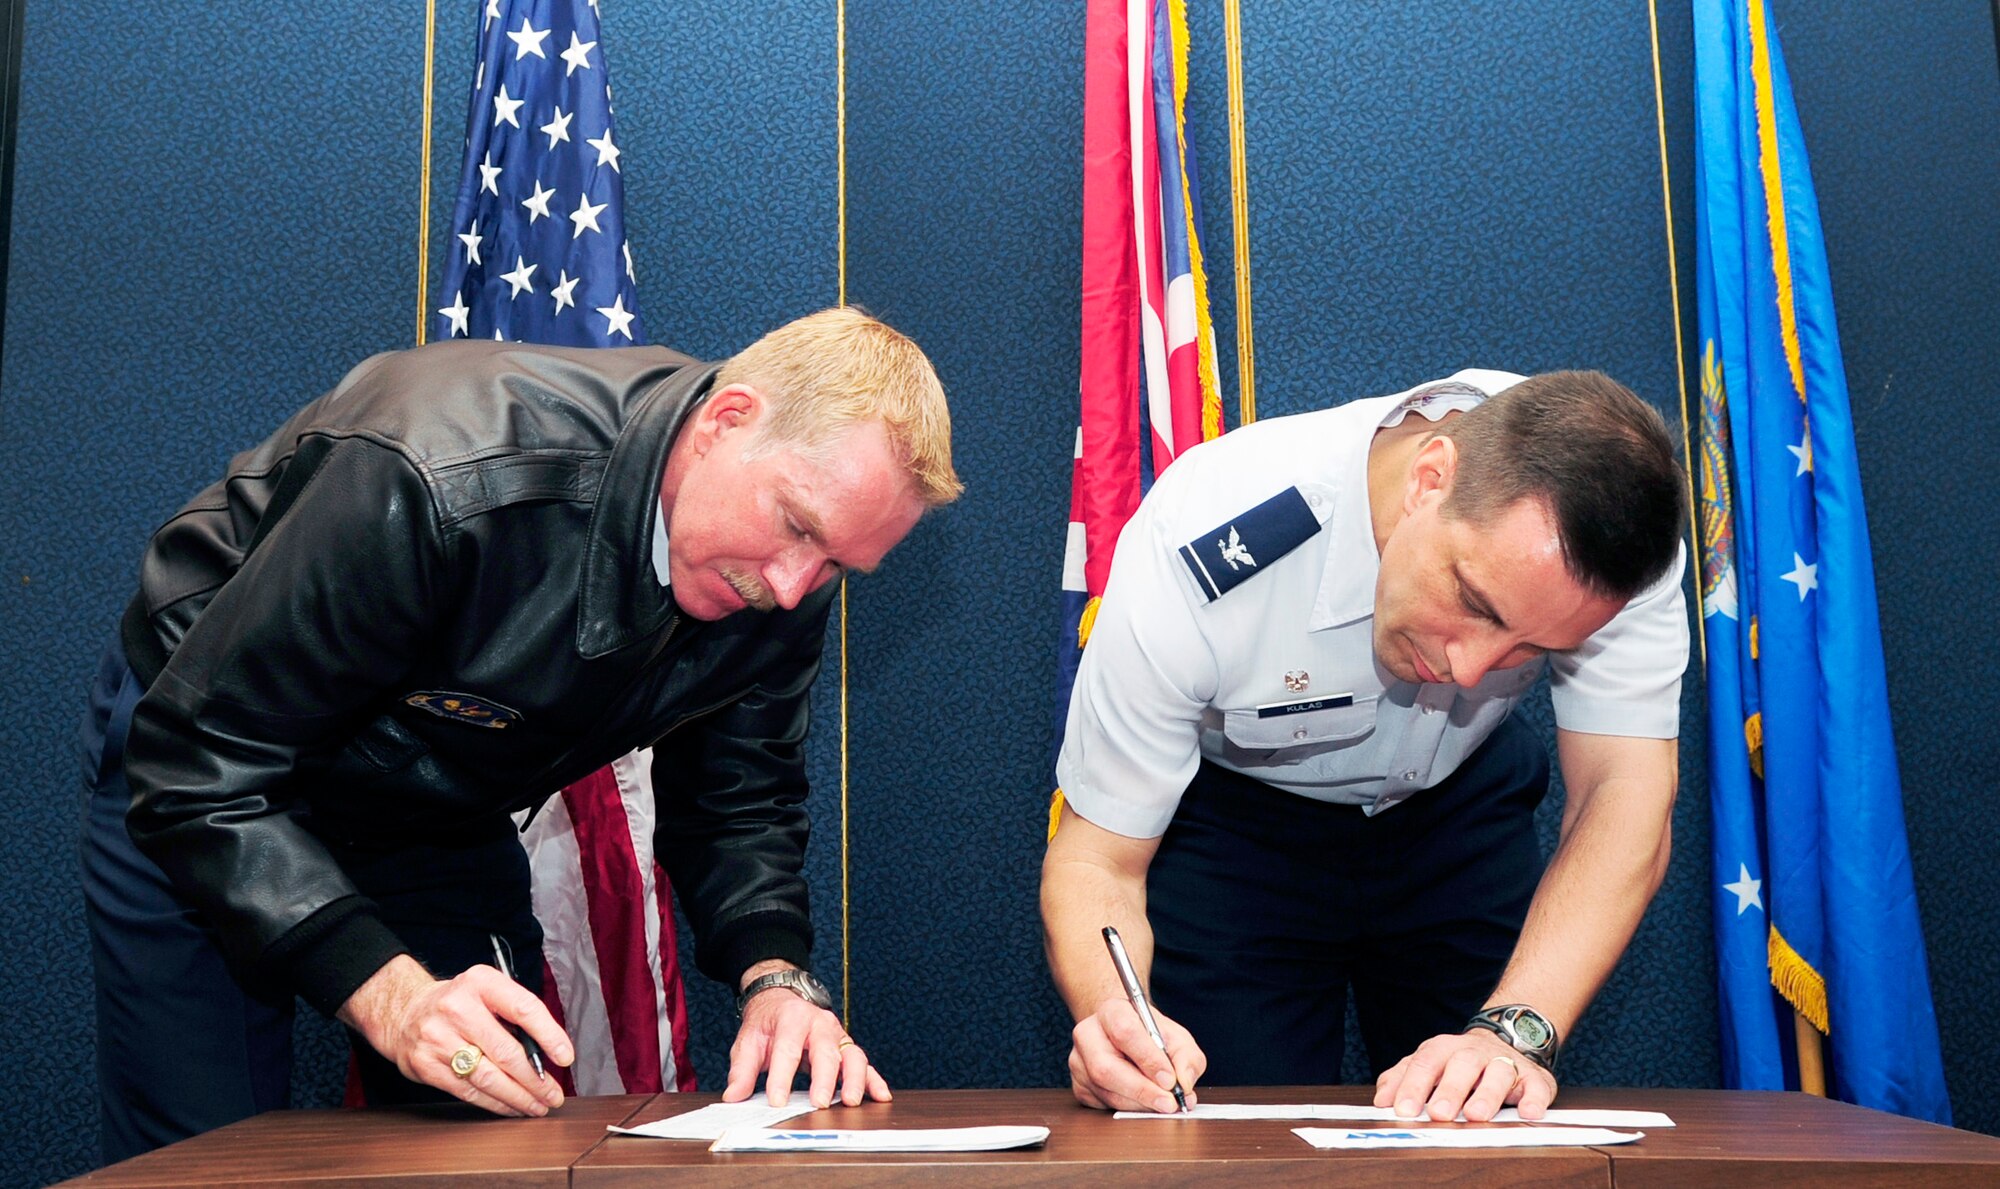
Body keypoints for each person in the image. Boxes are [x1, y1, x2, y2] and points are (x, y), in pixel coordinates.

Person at [80, 307, 961, 1163]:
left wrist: (776, 977)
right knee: (205, 1158)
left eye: (839, 563)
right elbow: (202, 759)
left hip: (436, 799)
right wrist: (387, 996)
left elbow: (740, 795)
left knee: (503, 1133)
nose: (795, 583)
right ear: (727, 420)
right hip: (208, 773)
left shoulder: (778, 577)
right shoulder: (437, 466)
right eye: (798, 526)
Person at [1042, 369, 1687, 1124]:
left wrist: (1518, 1028)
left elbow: (1627, 794)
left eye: (1533, 649)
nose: (1472, 667)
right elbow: (1098, 858)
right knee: (1228, 1149)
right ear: (1428, 477)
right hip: (1243, 839)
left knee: (1489, 1130)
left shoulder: (1625, 542)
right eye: (1476, 603)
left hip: (1461, 815)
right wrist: (1113, 1019)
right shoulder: (1207, 528)